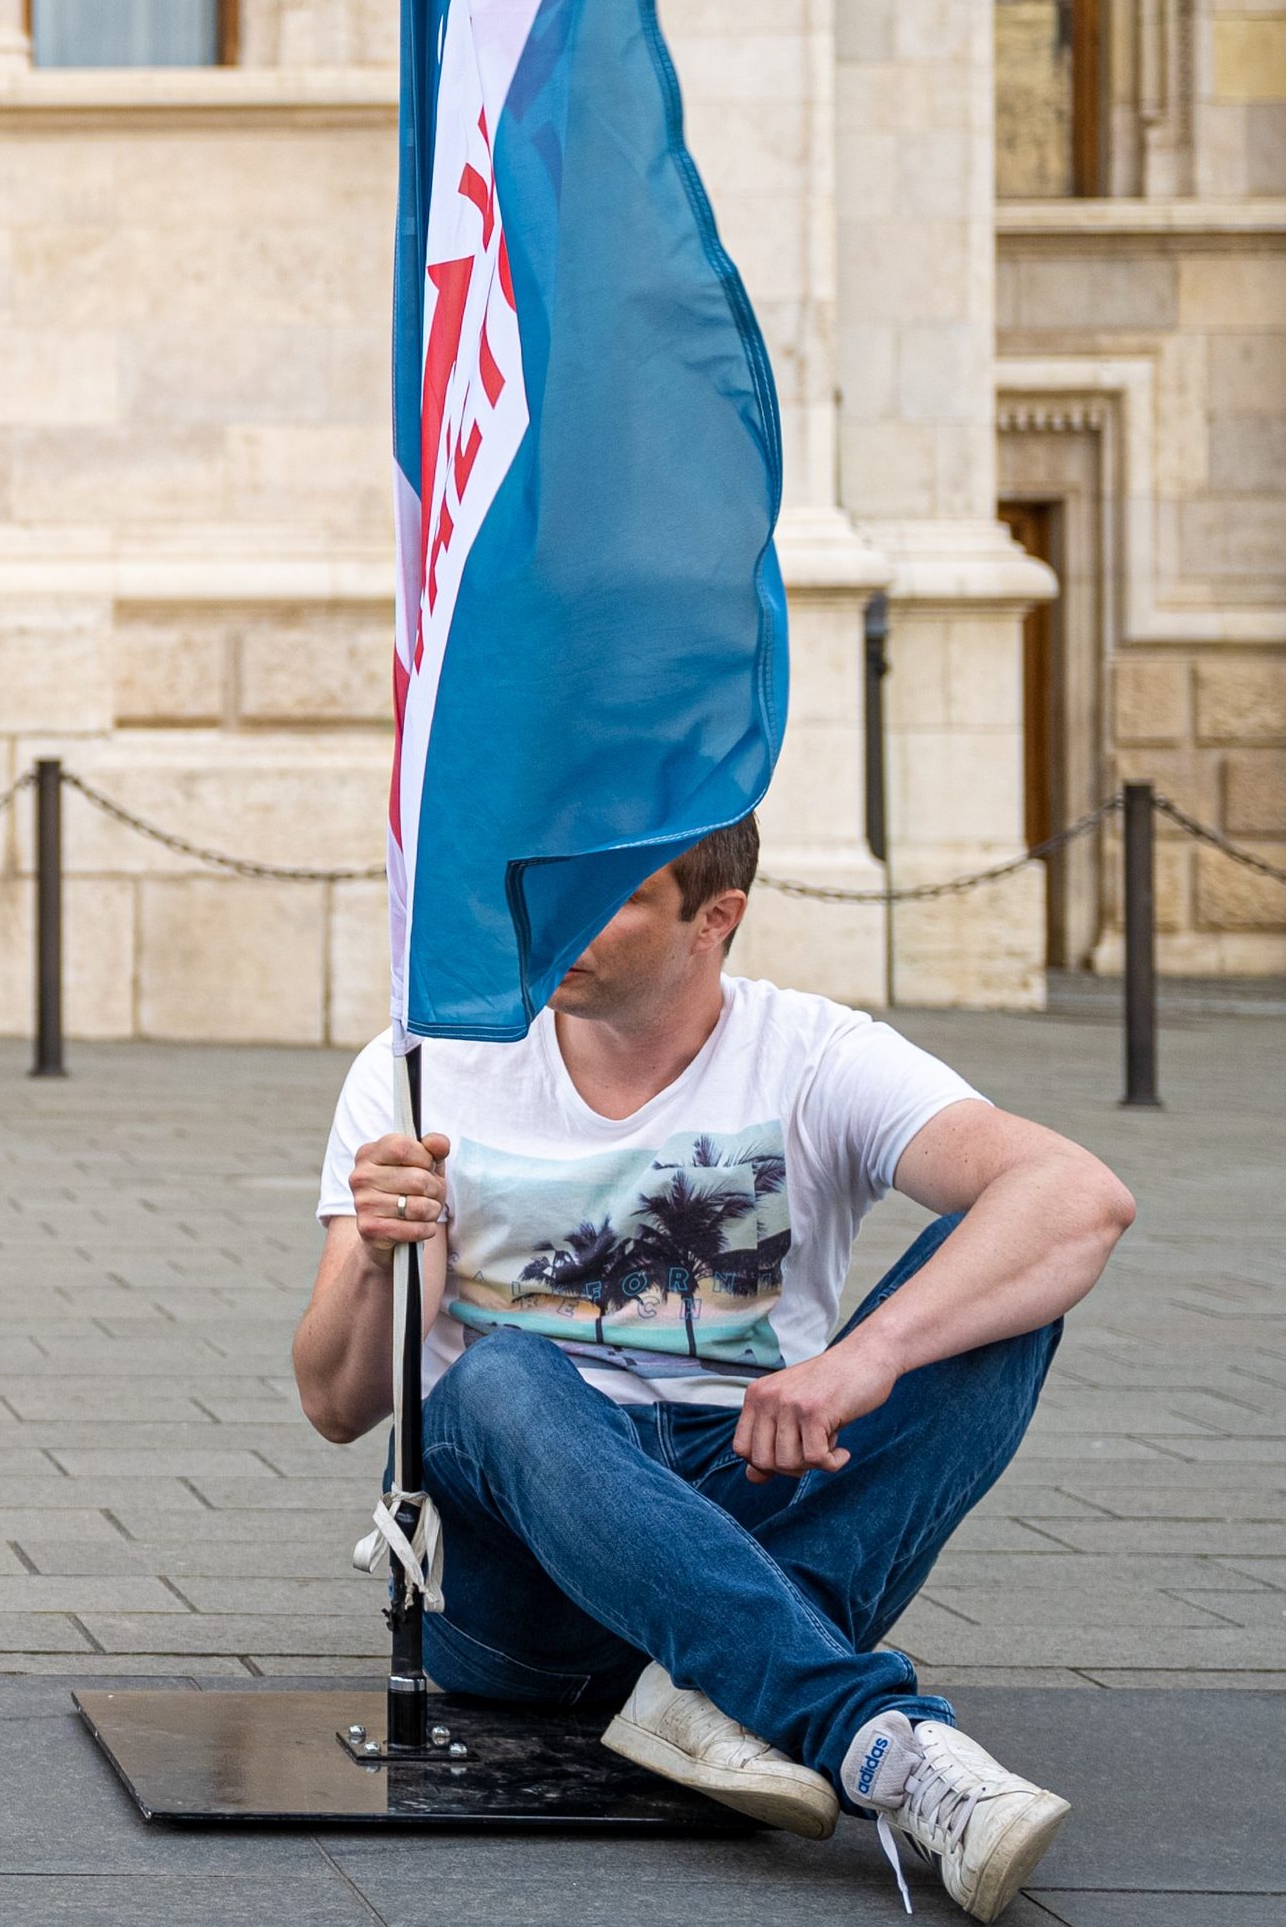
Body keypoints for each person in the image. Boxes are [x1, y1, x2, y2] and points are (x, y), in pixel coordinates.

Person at [300, 817, 1136, 1922]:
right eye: (547, 889)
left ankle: (706, 1688)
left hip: (744, 1483)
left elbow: (1079, 1197)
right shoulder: (423, 1065)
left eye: (611, 897)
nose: (555, 926)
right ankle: (871, 1738)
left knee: (1000, 1294)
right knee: (504, 1375)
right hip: (516, 1583)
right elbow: (334, 1403)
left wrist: (860, 1361)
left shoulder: (813, 1053)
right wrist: (375, 1254)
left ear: (714, 919)